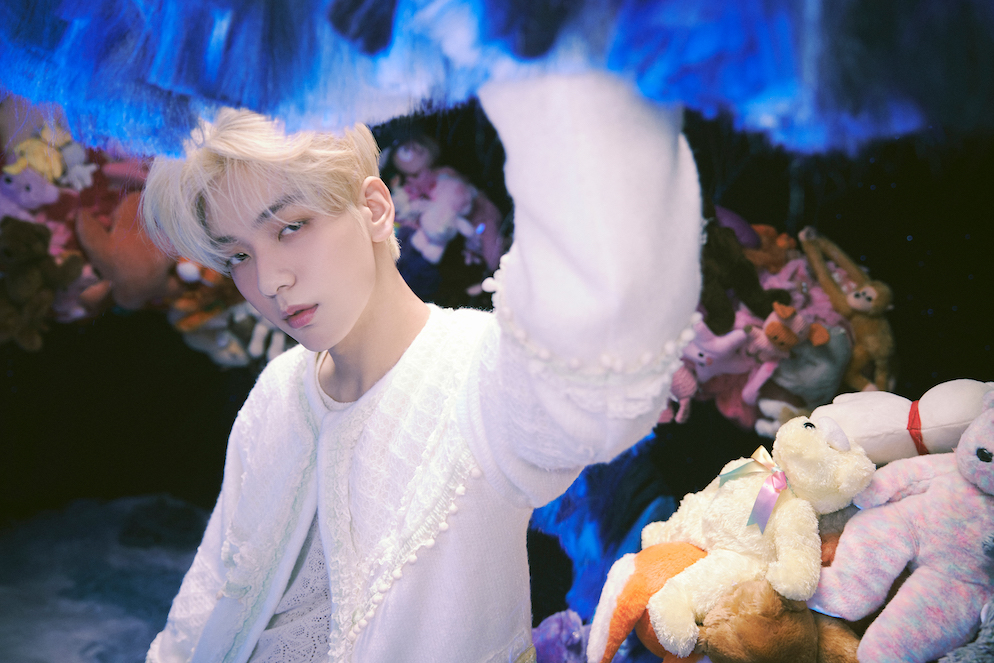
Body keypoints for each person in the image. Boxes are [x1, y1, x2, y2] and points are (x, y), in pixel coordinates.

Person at [141, 71, 703, 663]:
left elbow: (594, 395)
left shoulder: (481, 374)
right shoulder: (277, 391)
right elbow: (207, 599)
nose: (268, 279)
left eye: (291, 227)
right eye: (238, 255)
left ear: (374, 208)